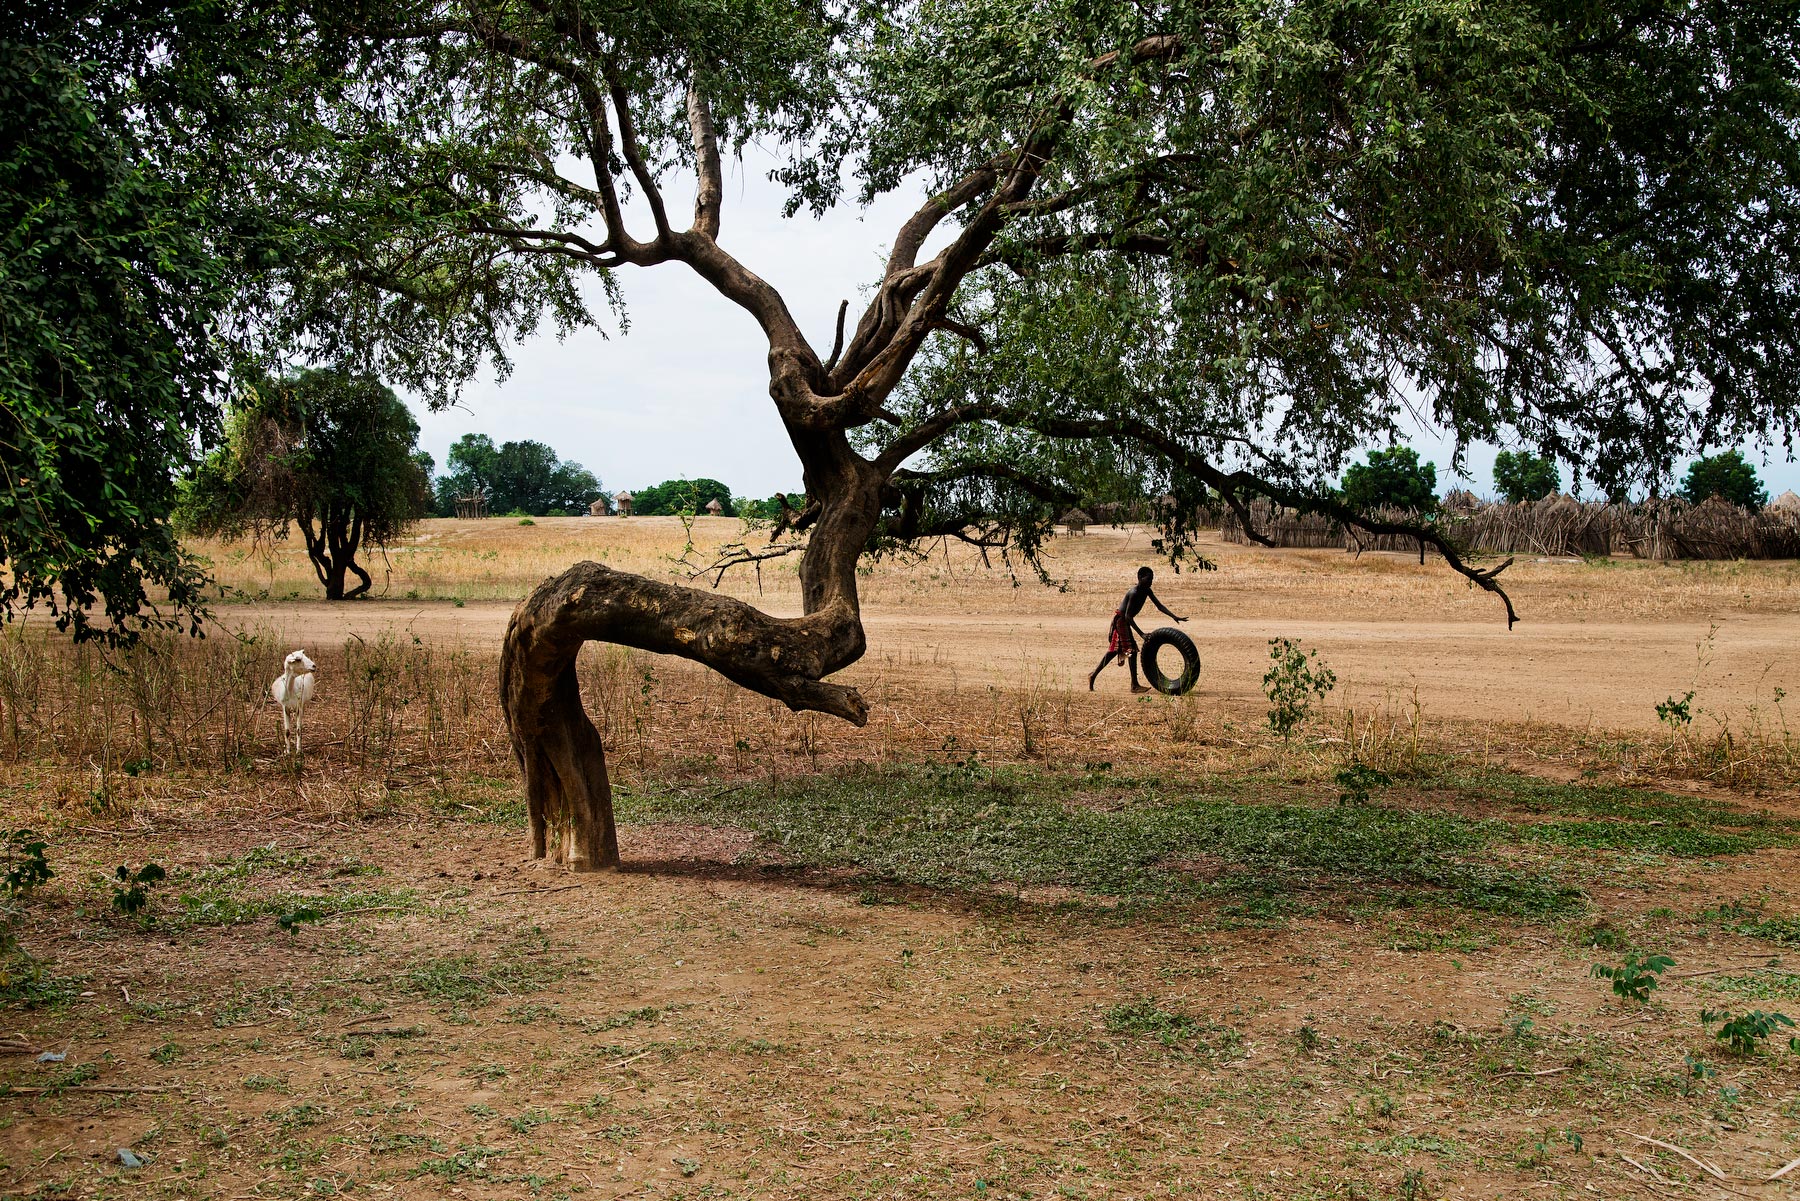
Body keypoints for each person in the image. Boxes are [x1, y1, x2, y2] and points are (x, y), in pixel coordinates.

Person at [1089, 566, 1187, 692]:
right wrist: (1141, 634)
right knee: (1132, 650)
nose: (1151, 582)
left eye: (1152, 579)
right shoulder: (1134, 593)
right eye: (1148, 579)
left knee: (1114, 651)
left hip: (1124, 620)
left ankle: (1093, 675)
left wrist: (1174, 616)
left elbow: (1159, 606)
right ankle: (1134, 685)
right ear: (1140, 578)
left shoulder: (1147, 590)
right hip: (1122, 620)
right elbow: (1128, 616)